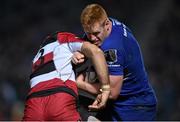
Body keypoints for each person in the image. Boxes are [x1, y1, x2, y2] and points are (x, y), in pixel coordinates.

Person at [74, 3, 157, 121]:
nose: (92, 38)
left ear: (107, 24)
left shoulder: (112, 49)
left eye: (96, 33)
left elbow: (112, 93)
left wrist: (80, 84)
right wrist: (80, 51)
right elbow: (88, 41)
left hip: (135, 109)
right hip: (123, 104)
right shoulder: (111, 23)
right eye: (88, 33)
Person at [22, 32, 110, 121]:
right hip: (59, 98)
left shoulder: (36, 59)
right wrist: (105, 89)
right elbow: (95, 52)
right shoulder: (63, 38)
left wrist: (73, 55)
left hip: (33, 104)